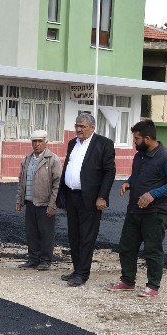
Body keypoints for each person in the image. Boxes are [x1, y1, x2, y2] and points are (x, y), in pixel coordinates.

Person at [107, 119, 167, 297]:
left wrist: (153, 194)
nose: (134, 142)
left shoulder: (166, 158)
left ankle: (153, 286)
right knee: (127, 246)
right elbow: (137, 176)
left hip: (156, 213)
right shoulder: (139, 156)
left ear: (148, 139)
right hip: (134, 210)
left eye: (136, 139)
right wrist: (128, 183)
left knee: (152, 249)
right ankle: (127, 281)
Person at [57, 112, 116, 287]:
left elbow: (109, 172)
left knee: (86, 236)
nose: (78, 129)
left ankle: (83, 273)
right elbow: (69, 167)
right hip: (72, 195)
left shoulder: (104, 144)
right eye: (77, 126)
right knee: (73, 235)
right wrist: (64, 198)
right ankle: (76, 269)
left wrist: (102, 196)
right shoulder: (72, 143)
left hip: (90, 199)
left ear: (92, 127)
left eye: (82, 126)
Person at [15, 129, 63, 271]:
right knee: (31, 233)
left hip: (44, 203)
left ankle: (45, 260)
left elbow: (57, 184)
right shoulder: (27, 159)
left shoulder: (52, 159)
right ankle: (33, 259)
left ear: (45, 142)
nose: (36, 144)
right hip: (30, 202)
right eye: (34, 141)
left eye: (39, 141)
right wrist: (19, 200)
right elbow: (21, 181)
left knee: (46, 233)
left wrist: (52, 204)